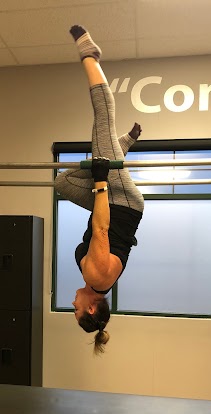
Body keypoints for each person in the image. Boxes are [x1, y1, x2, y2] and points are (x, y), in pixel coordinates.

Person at [55, 25, 144, 354]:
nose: (73, 304)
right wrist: (102, 180)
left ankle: (120, 148)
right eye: (76, 310)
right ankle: (89, 55)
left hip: (112, 205)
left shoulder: (97, 282)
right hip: (119, 202)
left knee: (62, 183)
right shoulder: (96, 276)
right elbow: (101, 228)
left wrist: (100, 172)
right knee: (103, 116)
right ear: (92, 308)